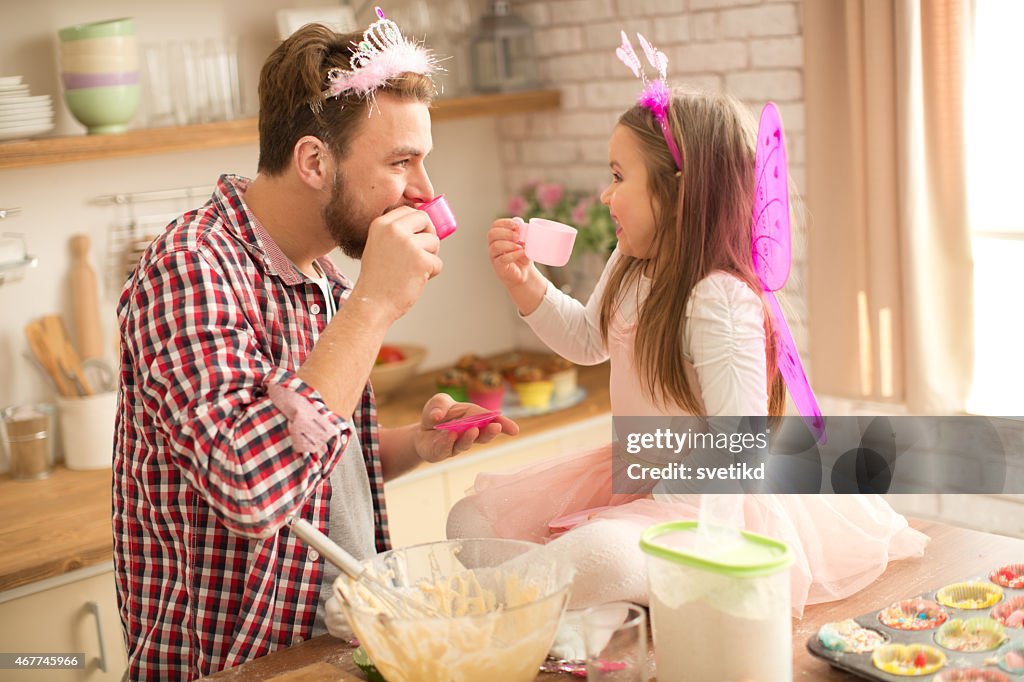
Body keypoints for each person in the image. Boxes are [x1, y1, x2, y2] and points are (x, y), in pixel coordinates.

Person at [113, 16, 517, 681]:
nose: (424, 188)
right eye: (400, 161)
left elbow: (317, 464)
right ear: (313, 161)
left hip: (332, 652)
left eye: (423, 158)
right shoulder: (188, 270)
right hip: (240, 668)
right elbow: (252, 489)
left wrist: (415, 444)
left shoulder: (320, 278)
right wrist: (374, 304)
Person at [448, 83, 927, 625]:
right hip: (638, 476)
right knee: (470, 519)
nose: (606, 196)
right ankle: (554, 602)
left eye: (618, 177)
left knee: (597, 555)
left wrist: (662, 498)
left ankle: (531, 608)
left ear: (678, 192)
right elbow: (586, 339)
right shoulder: (630, 263)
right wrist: (525, 284)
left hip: (707, 501)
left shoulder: (719, 298)